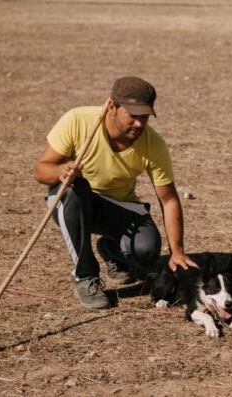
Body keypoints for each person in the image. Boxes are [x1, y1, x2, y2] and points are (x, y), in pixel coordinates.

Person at [33, 76, 198, 309]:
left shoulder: (153, 144)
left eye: (145, 117)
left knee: (147, 251)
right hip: (76, 200)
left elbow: (169, 199)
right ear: (112, 106)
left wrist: (177, 251)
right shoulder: (77, 120)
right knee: (72, 191)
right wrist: (60, 171)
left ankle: (110, 250)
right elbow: (41, 170)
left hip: (118, 205)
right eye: (133, 115)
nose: (140, 124)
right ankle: (86, 276)